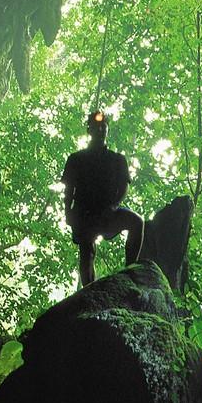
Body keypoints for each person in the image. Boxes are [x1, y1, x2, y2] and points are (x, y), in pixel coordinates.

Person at [61, 111, 144, 287]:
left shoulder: (117, 160)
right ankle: (89, 290)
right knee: (86, 250)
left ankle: (129, 272)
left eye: (103, 126)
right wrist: (68, 212)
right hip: (85, 214)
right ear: (88, 130)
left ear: (107, 130)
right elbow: (68, 189)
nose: (100, 130)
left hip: (108, 212)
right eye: (95, 126)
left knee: (136, 222)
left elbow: (123, 187)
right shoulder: (76, 159)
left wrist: (113, 206)